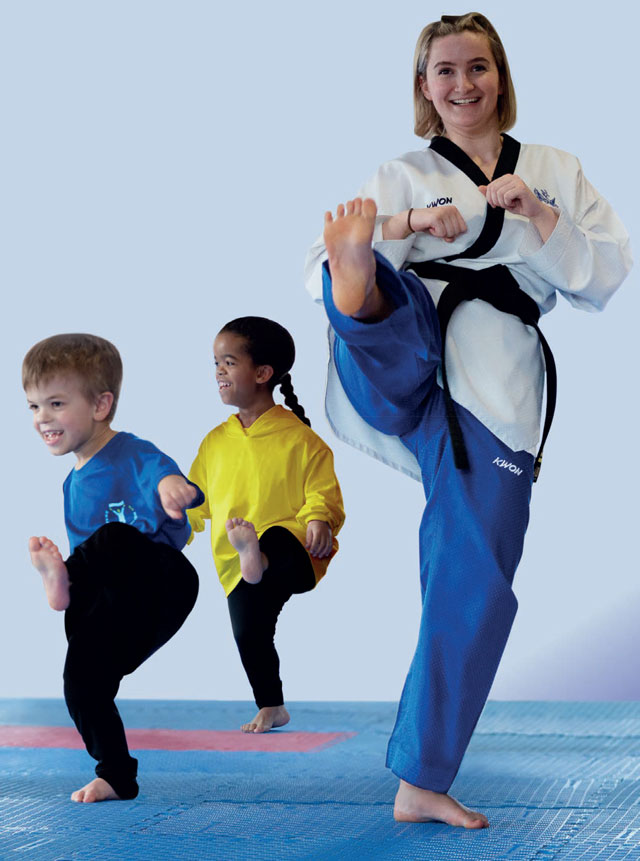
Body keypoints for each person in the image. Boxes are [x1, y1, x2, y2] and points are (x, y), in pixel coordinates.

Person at [305, 12, 631, 828]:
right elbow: (301, 266)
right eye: (443, 71)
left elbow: (605, 277)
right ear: (424, 87)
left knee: (472, 572)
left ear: (500, 74)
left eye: (476, 67)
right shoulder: (406, 170)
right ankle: (362, 279)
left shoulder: (554, 168)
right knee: (380, 295)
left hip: (494, 386)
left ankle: (422, 776)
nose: (462, 84)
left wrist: (539, 217)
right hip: (410, 347)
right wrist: (405, 226)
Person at [23, 333, 203, 803]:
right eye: (34, 407)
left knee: (113, 538)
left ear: (101, 404)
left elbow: (161, 471)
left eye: (56, 403)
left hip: (160, 579)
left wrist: (171, 489)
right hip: (115, 602)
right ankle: (116, 775)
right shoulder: (72, 485)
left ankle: (60, 583)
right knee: (80, 682)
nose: (42, 418)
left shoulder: (130, 451)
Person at [187, 316, 345, 733]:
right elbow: (194, 505)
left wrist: (318, 519)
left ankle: (256, 556)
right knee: (248, 632)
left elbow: (323, 491)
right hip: (240, 564)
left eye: (228, 362)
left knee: (275, 535)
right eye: (215, 363)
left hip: (296, 550)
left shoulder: (301, 440)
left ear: (262, 374)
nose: (218, 371)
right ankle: (272, 706)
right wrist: (168, 532)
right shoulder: (215, 442)